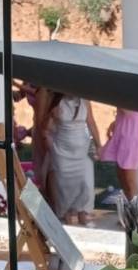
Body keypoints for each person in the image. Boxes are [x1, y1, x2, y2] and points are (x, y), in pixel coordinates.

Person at [42, 93, 101, 225]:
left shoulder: (85, 100)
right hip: (63, 151)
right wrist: (51, 147)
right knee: (65, 187)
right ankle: (67, 218)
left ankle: (83, 215)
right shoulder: (56, 101)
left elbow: (91, 122)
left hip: (82, 150)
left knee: (86, 183)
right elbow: (45, 129)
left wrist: (98, 145)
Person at [99, 108, 138, 200]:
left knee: (130, 180)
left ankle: (137, 212)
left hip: (133, 131)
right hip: (124, 126)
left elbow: (129, 110)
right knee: (122, 176)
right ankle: (131, 208)